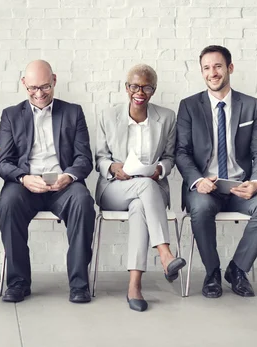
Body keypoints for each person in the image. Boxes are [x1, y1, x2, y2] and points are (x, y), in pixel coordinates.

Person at [176, 45, 257, 298]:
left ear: (230, 68)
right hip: (205, 188)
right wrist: (197, 180)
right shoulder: (189, 106)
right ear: (202, 73)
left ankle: (238, 269)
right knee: (199, 208)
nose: (213, 73)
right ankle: (212, 272)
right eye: (207, 68)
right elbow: (181, 152)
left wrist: (256, 182)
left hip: (239, 187)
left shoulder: (250, 105)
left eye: (218, 66)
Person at [0, 60, 95, 304]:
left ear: (54, 80)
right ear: (23, 84)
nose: (39, 94)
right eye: (32, 88)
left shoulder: (73, 112)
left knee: (83, 202)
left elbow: (84, 158)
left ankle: (79, 284)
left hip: (63, 183)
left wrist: (69, 176)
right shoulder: (10, 115)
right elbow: (3, 161)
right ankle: (18, 283)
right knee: (7, 204)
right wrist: (23, 177)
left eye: (45, 87)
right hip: (25, 184)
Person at [95, 64, 186, 312]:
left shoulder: (166, 118)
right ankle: (166, 255)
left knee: (139, 207)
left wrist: (160, 170)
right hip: (114, 189)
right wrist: (114, 167)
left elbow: (169, 157)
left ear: (153, 90)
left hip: (150, 191)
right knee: (143, 188)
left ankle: (134, 285)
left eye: (146, 87)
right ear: (126, 88)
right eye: (134, 86)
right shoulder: (108, 115)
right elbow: (100, 158)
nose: (140, 91)